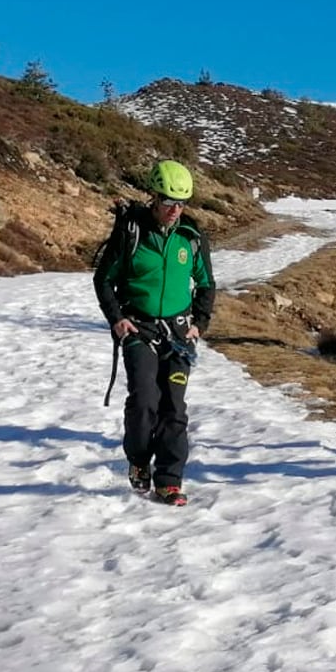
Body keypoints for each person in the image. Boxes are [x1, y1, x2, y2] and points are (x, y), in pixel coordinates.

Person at [92, 160, 215, 506]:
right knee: (145, 402)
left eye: (182, 203)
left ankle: (169, 481)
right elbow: (104, 280)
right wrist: (117, 319)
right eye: (168, 202)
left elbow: (206, 285)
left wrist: (199, 324)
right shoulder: (131, 232)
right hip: (139, 329)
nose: (175, 210)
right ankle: (138, 460)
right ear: (153, 197)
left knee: (174, 407)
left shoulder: (191, 237)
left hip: (179, 334)